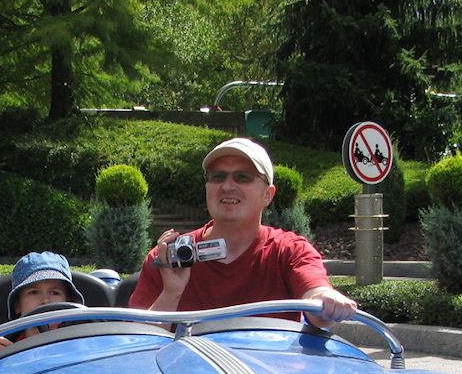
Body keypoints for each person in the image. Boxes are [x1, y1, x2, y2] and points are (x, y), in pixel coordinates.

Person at [128, 137, 357, 329]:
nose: (227, 186)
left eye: (243, 177)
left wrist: (327, 300)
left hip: (268, 370)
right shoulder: (167, 258)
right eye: (218, 177)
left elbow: (317, 302)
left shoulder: (290, 251)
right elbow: (139, 345)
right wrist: (171, 292)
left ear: (268, 195)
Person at [0, 251, 84, 357]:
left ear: (68, 302)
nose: (45, 300)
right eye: (34, 292)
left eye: (55, 293)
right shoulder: (5, 344)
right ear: (17, 305)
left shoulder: (80, 339)